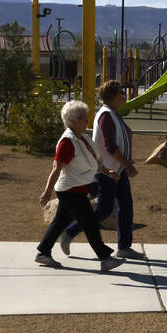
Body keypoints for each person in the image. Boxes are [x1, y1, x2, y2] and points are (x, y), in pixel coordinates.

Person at [36, 100, 124, 272]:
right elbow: (56, 169)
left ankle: (43, 252)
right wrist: (47, 192)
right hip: (69, 190)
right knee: (90, 222)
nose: (87, 120)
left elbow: (95, 161)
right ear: (72, 121)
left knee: (61, 221)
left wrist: (108, 172)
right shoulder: (67, 142)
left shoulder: (83, 138)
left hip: (77, 188)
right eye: (83, 118)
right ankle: (105, 258)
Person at [60, 79, 144, 259]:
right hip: (106, 171)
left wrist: (125, 165)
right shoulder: (106, 115)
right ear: (112, 96)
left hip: (117, 170)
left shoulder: (113, 113)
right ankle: (70, 232)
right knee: (105, 209)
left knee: (125, 206)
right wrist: (128, 165)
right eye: (121, 93)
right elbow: (109, 146)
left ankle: (124, 247)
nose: (124, 96)